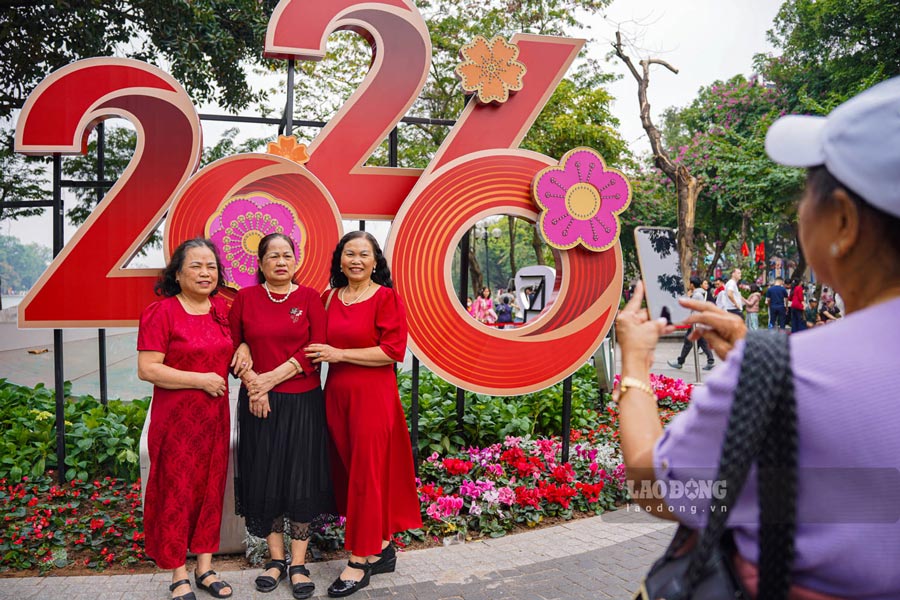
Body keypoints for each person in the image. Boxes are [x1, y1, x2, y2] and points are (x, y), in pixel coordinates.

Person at [614, 77, 900, 597]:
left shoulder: (784, 372)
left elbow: (655, 486)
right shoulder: (779, 365)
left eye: (805, 191)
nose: (798, 211)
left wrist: (634, 367)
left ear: (843, 221)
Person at [305, 232, 422, 598]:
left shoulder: (385, 297)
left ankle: (359, 562)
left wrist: (338, 354)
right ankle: (383, 548)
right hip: (336, 396)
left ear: (375, 262)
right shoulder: (327, 298)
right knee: (348, 471)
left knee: (366, 476)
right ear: (340, 260)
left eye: (364, 254)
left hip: (373, 398)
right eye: (349, 253)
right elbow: (302, 338)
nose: (356, 259)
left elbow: (391, 351)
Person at [228, 233, 335, 600]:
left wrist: (268, 380)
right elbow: (232, 346)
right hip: (258, 405)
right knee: (266, 477)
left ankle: (299, 564)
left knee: (299, 479)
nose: (280, 261)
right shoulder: (245, 298)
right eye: (272, 256)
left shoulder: (309, 298)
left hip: (301, 402)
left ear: (297, 261)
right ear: (259, 264)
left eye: (287, 255)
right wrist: (253, 384)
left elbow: (315, 351)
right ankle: (275, 560)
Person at [136, 238, 234, 600]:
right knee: (176, 493)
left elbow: (233, 349)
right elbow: (147, 369)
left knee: (211, 491)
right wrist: (200, 380)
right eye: (196, 265)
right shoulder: (161, 313)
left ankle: (205, 567)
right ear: (177, 274)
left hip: (215, 419)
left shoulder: (221, 310)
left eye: (211, 266)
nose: (205, 272)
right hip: (175, 422)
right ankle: (178, 573)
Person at [666, 276, 715, 371]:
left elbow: (689, 307)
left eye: (690, 283)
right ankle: (710, 360)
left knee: (689, 341)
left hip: (696, 322)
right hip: (698, 321)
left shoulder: (697, 295)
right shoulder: (700, 293)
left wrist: (687, 297)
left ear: (692, 284)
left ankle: (680, 362)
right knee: (701, 342)